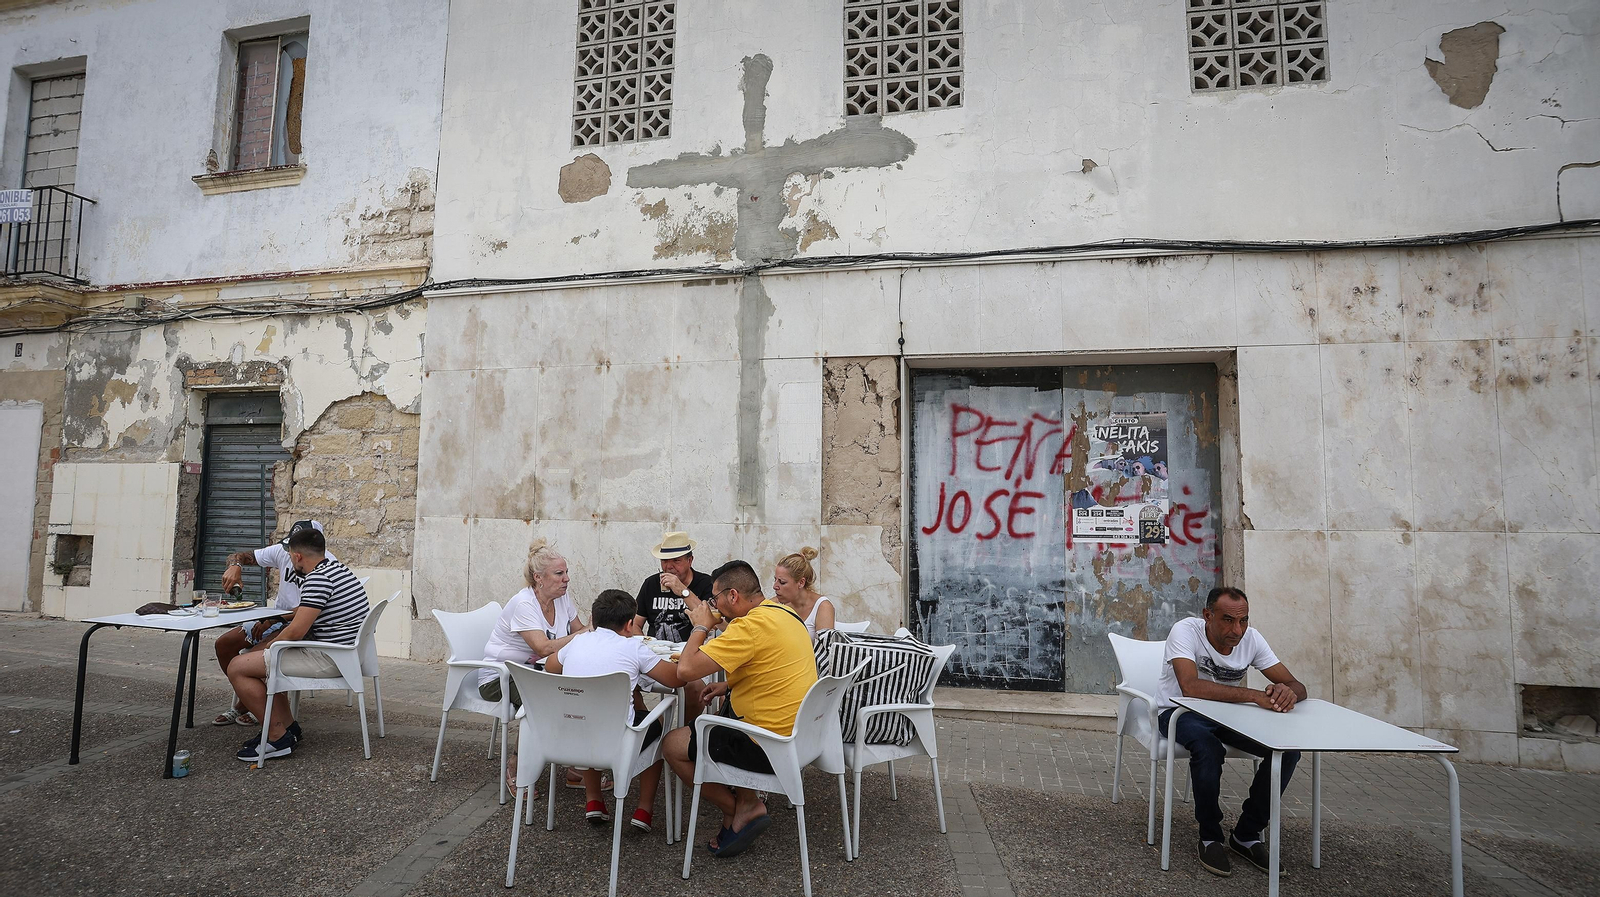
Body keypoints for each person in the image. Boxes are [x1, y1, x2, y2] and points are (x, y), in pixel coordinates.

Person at [662, 560, 817, 859]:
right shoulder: (782, 611)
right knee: (727, 705)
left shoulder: (748, 627)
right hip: (801, 734)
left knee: (672, 744)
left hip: (768, 745)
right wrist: (728, 685)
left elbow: (686, 669)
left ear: (732, 596)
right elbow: (770, 666)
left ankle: (741, 809)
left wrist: (700, 625)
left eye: (715, 598)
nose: (714, 605)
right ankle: (744, 802)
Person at [1156, 586, 1308, 877]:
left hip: (1228, 715)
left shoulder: (1251, 638)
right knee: (1208, 748)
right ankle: (1210, 836)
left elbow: (1296, 684)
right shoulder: (1186, 631)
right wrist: (1254, 695)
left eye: (1243, 620)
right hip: (1180, 713)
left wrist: (1286, 692)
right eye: (1227, 620)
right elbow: (1190, 687)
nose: (1236, 630)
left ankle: (1247, 835)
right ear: (1207, 615)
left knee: (1287, 749)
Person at [545, 589, 684, 833]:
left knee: (588, 714)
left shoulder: (578, 642)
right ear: (630, 625)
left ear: (594, 619)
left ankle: (594, 800)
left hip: (571, 738)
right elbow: (675, 679)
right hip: (618, 742)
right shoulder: (633, 648)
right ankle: (643, 809)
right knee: (657, 724)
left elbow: (550, 665)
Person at [226, 526, 370, 762]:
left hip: (328, 658)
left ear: (297, 556)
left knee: (237, 666)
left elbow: (295, 632)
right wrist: (274, 629)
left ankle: (276, 738)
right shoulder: (338, 570)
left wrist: (270, 648)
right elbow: (304, 614)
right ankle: (288, 729)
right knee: (261, 661)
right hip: (342, 653)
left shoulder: (317, 579)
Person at [480, 538, 589, 786]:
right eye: (559, 573)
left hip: (537, 672)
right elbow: (543, 647)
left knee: (579, 695)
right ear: (539, 578)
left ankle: (575, 766)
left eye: (566, 572)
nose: (566, 579)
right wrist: (584, 633)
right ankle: (516, 766)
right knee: (545, 701)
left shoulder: (562, 597)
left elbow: (580, 631)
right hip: (500, 677)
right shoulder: (524, 604)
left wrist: (589, 634)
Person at [211, 519, 334, 726]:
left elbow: (307, 612)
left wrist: (272, 621)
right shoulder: (283, 551)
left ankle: (262, 709)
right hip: (276, 618)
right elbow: (243, 555)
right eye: (290, 546)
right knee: (224, 644)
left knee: (252, 658)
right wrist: (235, 565)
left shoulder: (324, 566)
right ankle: (249, 699)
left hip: (296, 623)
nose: (291, 553)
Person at [633, 531, 714, 721]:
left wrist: (683, 592)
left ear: (690, 560)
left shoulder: (704, 583)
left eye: (676, 561)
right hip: (656, 657)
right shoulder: (651, 584)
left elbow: (709, 619)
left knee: (695, 688)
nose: (668, 567)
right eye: (664, 561)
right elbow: (636, 624)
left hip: (692, 656)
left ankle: (685, 732)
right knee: (623, 682)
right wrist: (643, 644)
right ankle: (655, 727)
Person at [771, 547, 834, 639]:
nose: (775, 586)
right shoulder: (774, 604)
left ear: (801, 583)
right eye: (775, 580)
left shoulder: (823, 607)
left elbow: (824, 650)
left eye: (782, 582)